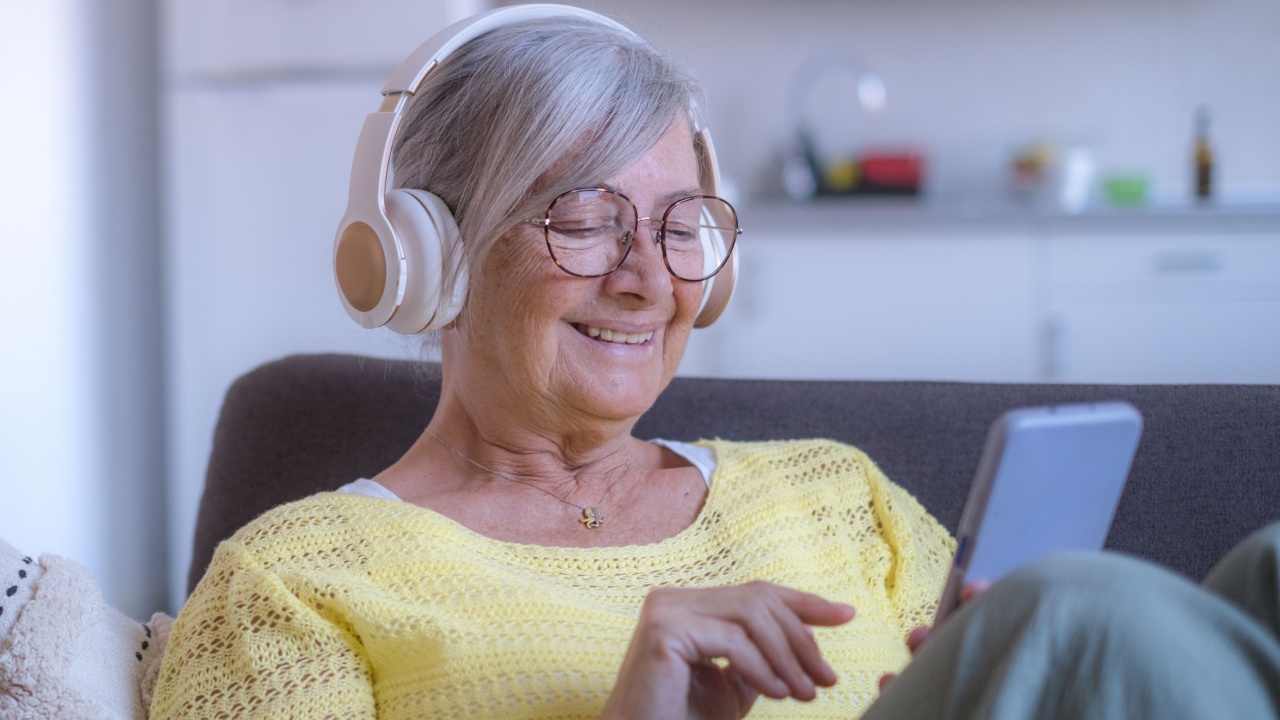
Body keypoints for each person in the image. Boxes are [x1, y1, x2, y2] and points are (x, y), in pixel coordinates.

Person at [148, 6, 1280, 720]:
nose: (648, 277)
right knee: (1074, 616)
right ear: (431, 250)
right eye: (582, 219)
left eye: (681, 222)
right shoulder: (291, 582)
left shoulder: (836, 494)